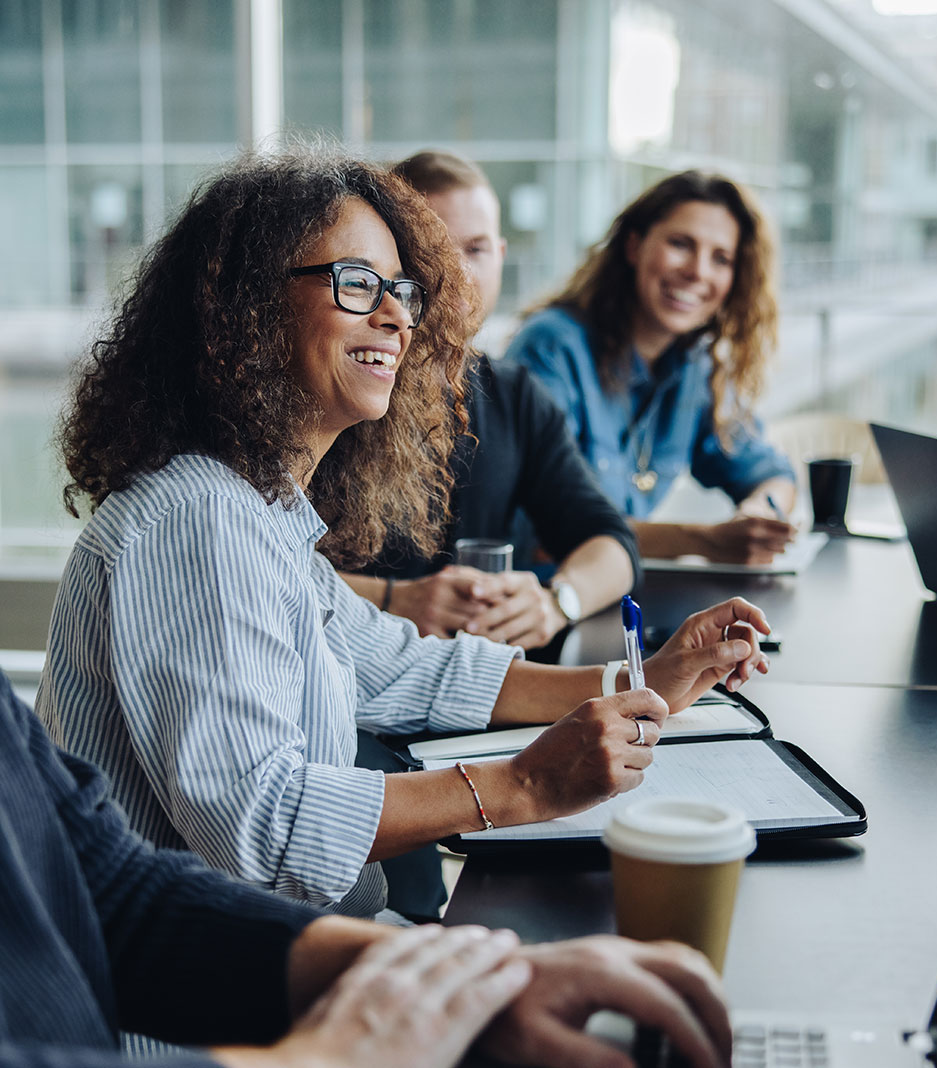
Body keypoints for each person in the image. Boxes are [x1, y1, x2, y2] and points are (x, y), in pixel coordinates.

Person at [37, 149, 772, 921]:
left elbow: (408, 670)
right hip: (201, 1019)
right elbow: (265, 830)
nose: (396, 315)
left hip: (288, 953)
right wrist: (524, 785)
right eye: (357, 284)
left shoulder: (257, 508)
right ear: (245, 308)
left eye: (401, 290)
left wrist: (641, 683)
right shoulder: (197, 521)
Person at [0, 670, 733, 1068]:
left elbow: (107, 892)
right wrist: (332, 1055)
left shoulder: (276, 517)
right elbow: (256, 826)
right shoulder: (193, 517)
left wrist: (469, 980)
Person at [340, 150, 640, 650]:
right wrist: (394, 600)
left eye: (475, 249)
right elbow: (265, 564)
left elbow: (612, 544)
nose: (455, 272)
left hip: (483, 692)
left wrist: (556, 601)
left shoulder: (515, 396)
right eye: (430, 249)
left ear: (501, 257)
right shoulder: (344, 387)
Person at [505, 170, 800, 565]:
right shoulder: (553, 347)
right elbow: (545, 534)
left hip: (621, 597)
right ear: (633, 247)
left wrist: (760, 515)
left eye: (721, 258)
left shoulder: (695, 366)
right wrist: (705, 541)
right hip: (540, 601)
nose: (698, 271)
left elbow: (770, 473)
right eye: (681, 244)